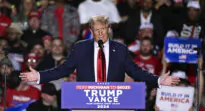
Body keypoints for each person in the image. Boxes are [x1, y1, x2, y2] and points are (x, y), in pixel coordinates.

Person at [20, 15, 180, 90]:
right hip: (86, 100)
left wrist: (158, 80)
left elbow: (136, 72)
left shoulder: (121, 49)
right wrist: (40, 76)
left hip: (114, 100)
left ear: (108, 29)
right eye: (97, 30)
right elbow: (63, 69)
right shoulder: (80, 47)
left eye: (103, 29)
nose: (101, 33)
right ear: (91, 31)